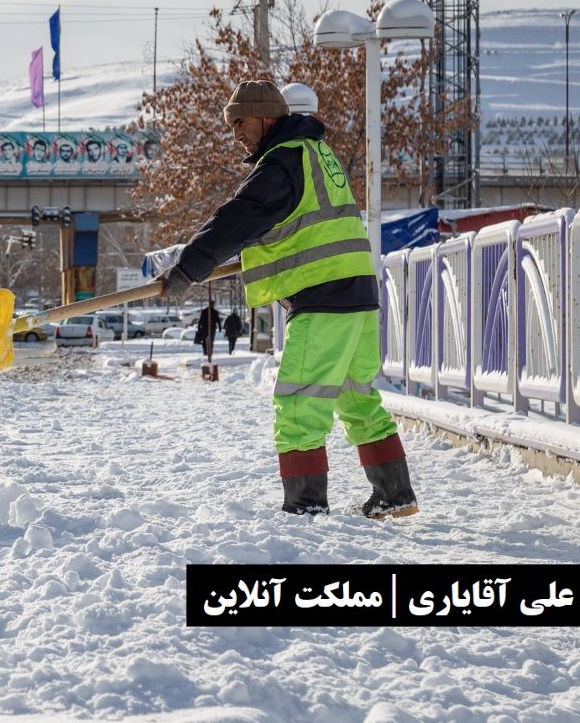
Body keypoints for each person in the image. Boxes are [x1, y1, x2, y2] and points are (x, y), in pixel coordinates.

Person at [156, 80, 417, 519]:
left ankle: (305, 507)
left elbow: (235, 220)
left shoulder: (282, 162)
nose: (237, 132)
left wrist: (187, 268)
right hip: (358, 296)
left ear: (267, 117)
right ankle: (395, 494)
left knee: (298, 404)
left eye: (242, 122)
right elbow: (298, 227)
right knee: (357, 399)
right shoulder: (318, 156)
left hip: (323, 299)